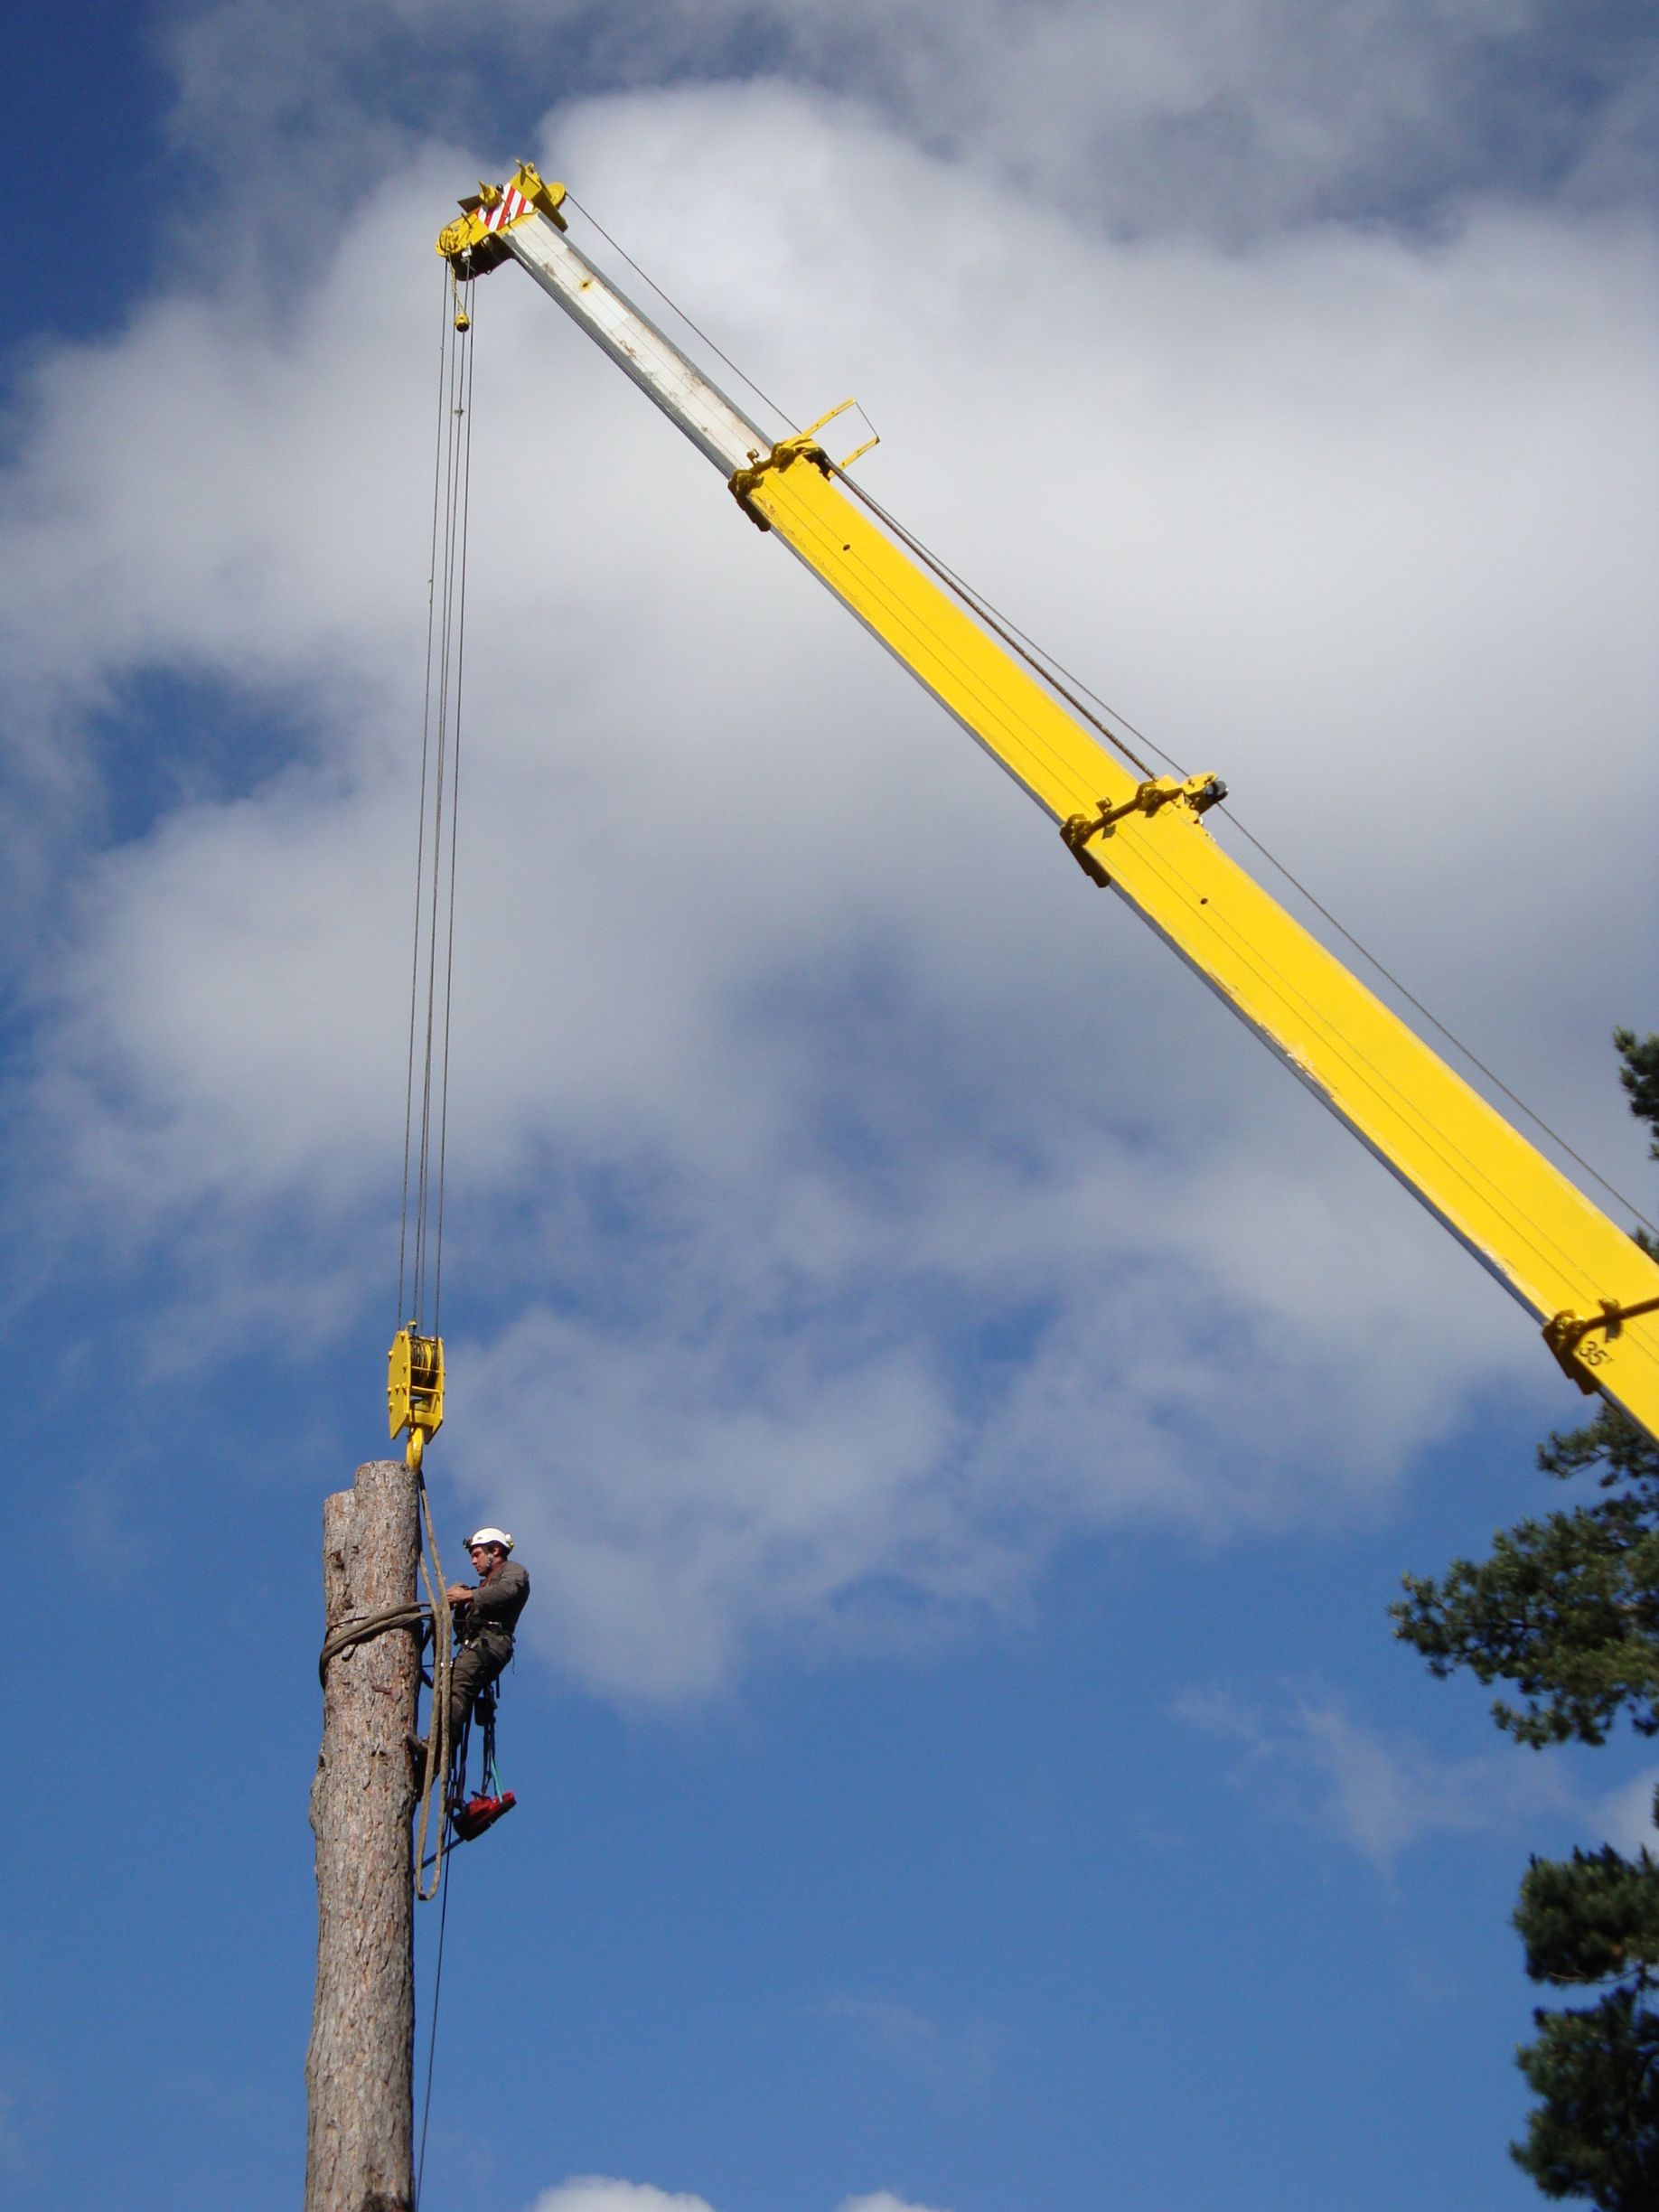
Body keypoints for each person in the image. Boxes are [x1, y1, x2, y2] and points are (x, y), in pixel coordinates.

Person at [411, 1527, 530, 1781]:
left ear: (495, 1551)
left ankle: (434, 1748)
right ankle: (427, 1767)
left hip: (491, 1643)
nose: (474, 1561)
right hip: (477, 1644)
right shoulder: (485, 1585)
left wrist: (470, 1595)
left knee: (456, 1686)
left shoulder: (512, 1571)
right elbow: (461, 1629)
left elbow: (508, 1591)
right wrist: (461, 1606)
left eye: (477, 1554)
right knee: (450, 1689)